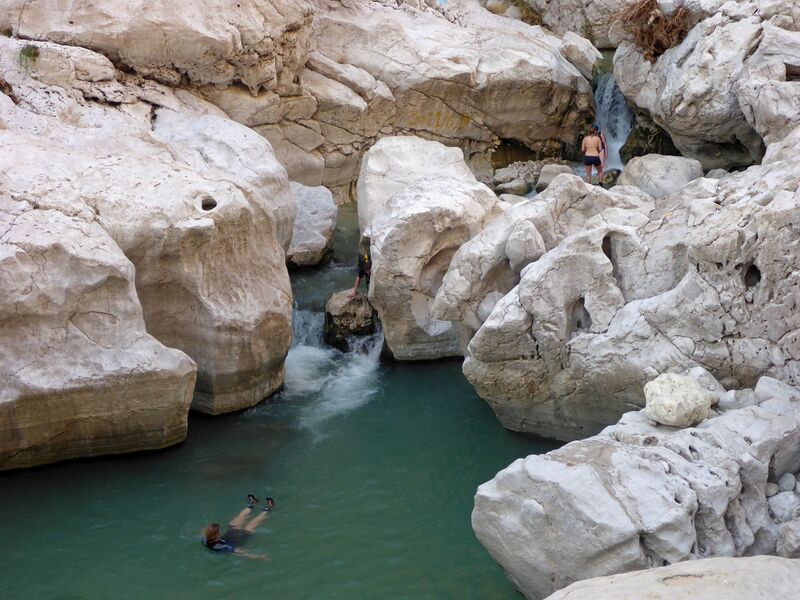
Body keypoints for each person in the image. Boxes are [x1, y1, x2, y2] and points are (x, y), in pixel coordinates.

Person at [201, 494, 275, 558]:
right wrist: (259, 556)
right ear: (216, 535)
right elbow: (240, 552)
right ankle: (267, 509)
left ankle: (252, 504)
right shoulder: (224, 546)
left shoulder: (205, 539)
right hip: (240, 538)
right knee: (250, 525)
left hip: (229, 536)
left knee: (233, 523)